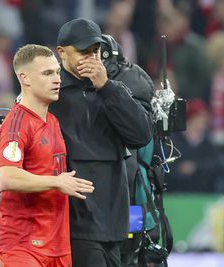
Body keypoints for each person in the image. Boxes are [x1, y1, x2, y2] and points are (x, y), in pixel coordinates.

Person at [50, 18, 153, 267]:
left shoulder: (113, 90)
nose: (90, 58)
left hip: (114, 219)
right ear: (62, 52)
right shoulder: (51, 93)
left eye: (95, 51)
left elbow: (141, 135)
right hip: (76, 218)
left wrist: (106, 87)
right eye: (82, 51)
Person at [0, 44, 94, 267]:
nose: (57, 79)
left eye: (57, 72)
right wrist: (57, 182)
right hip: (23, 244)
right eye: (47, 73)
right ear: (24, 78)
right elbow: (6, 177)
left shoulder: (53, 121)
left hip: (57, 245)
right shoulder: (17, 123)